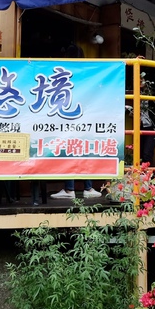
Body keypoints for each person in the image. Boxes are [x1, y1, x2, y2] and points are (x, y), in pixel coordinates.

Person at [51, 42, 101, 200]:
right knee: (84, 150)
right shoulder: (88, 73)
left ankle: (69, 189)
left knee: (70, 151)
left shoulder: (63, 72)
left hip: (67, 117)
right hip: (85, 117)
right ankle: (88, 188)